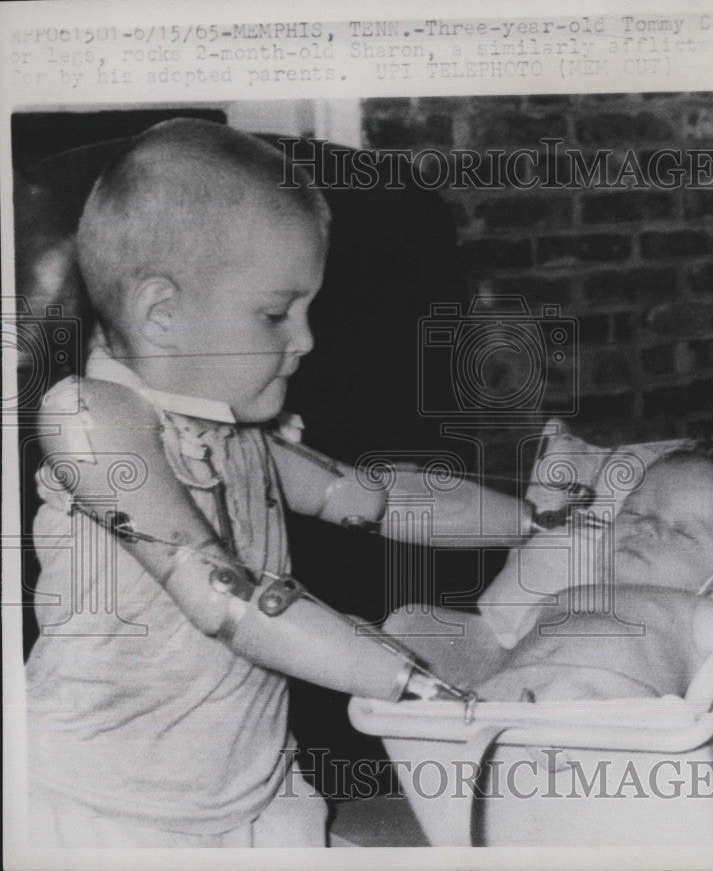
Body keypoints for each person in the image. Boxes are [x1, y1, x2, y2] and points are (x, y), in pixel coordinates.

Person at [24, 118, 536, 847]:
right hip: (101, 811)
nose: (307, 340)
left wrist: (536, 522)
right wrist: (410, 682)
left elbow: (382, 499)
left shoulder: (239, 436)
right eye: (275, 313)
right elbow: (219, 595)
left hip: (262, 796)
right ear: (163, 314)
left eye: (308, 309)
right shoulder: (90, 419)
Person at [473, 440, 713, 702]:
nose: (645, 525)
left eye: (683, 531)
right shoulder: (561, 597)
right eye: (634, 511)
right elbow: (503, 656)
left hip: (606, 727)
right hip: (495, 710)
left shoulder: (698, 612)